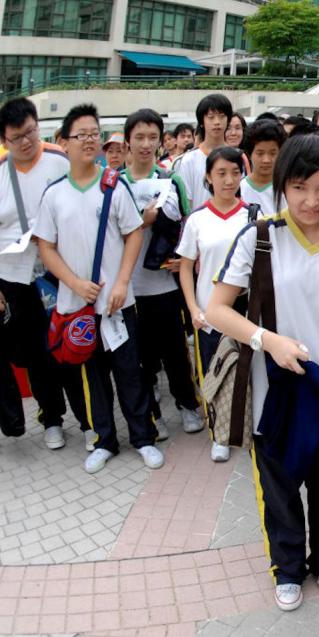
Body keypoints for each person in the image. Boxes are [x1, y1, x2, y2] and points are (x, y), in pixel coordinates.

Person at [206, 134, 319, 611]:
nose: (312, 201)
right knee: (279, 489)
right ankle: (289, 568)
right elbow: (217, 310)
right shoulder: (259, 237)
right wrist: (266, 340)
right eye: (299, 188)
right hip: (273, 389)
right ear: (281, 187)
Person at [35, 103, 162, 474]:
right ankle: (104, 440)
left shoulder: (113, 185)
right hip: (77, 305)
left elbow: (134, 233)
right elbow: (46, 246)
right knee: (92, 378)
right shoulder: (54, 194)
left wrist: (122, 282)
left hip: (118, 303)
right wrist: (74, 284)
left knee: (129, 372)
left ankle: (143, 437)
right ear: (64, 142)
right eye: (82, 135)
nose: (90, 140)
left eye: (95, 133)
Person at [0, 97, 86, 448]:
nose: (27, 141)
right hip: (15, 276)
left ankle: (88, 420)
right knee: (36, 352)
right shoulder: (0, 172)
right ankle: (51, 418)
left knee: (70, 346)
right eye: (17, 136)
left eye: (32, 131)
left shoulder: (58, 160)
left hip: (59, 271)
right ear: (4, 139)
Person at [120, 108, 204, 441]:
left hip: (165, 284)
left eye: (152, 137)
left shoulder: (172, 179)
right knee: (141, 353)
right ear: (128, 140)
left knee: (174, 350)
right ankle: (152, 406)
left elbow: (186, 225)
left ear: (160, 141)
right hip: (130, 287)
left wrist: (179, 258)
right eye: (139, 137)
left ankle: (186, 403)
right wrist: (143, 219)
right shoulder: (115, 182)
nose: (145, 144)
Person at [176, 146, 258, 462]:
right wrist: (193, 309)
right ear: (208, 177)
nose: (228, 180)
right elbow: (185, 266)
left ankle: (246, 426)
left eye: (235, 172)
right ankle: (219, 433)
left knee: (248, 368)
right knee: (214, 369)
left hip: (245, 308)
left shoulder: (253, 215)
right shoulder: (197, 219)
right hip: (208, 311)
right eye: (221, 173)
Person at [175, 94, 234, 212]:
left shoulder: (238, 157)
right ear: (202, 122)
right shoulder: (188, 160)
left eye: (222, 116)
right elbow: (186, 203)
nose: (217, 122)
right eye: (211, 117)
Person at [240, 119, 288, 217]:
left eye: (273, 153)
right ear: (250, 154)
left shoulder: (287, 190)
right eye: (260, 153)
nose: (266, 160)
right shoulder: (239, 189)